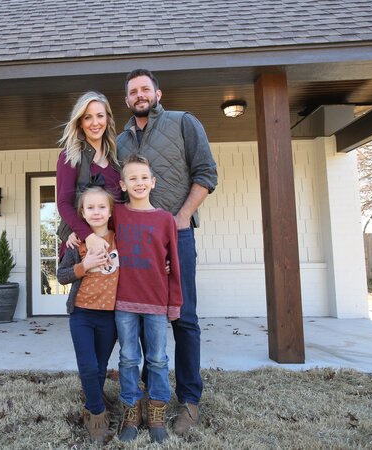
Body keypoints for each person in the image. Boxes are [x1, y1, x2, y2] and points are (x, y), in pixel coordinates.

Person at [116, 69, 218, 435]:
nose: (139, 95)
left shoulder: (183, 122)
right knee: (144, 317)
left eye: (145, 89)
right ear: (127, 100)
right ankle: (148, 398)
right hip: (136, 243)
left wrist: (182, 217)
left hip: (177, 235)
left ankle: (189, 400)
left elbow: (206, 174)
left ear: (158, 93)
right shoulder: (121, 141)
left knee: (184, 317)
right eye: (133, 92)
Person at [113, 155, 182, 443]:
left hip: (155, 302)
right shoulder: (116, 214)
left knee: (157, 359)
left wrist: (174, 303)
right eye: (132, 178)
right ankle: (132, 412)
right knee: (128, 358)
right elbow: (92, 222)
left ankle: (156, 413)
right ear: (123, 185)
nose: (139, 182)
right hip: (124, 301)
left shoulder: (165, 219)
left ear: (153, 182)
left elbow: (173, 264)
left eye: (144, 177)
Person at [56, 186, 119, 445]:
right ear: (81, 212)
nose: (96, 212)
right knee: (88, 365)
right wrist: (84, 266)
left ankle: (91, 402)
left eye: (102, 207)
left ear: (110, 211)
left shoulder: (120, 239)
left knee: (100, 367)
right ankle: (96, 415)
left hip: (110, 316)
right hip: (81, 314)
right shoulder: (75, 242)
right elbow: (61, 275)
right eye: (90, 207)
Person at [56, 91, 122, 259]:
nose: (95, 123)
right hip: (81, 245)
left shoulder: (117, 159)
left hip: (113, 247)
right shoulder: (70, 157)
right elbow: (64, 203)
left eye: (100, 116)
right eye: (87, 117)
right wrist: (88, 236)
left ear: (107, 119)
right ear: (80, 123)